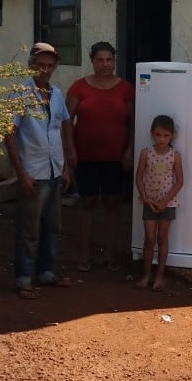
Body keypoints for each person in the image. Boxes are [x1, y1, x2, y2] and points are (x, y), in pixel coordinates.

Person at [3, 42, 73, 299]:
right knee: (29, 230)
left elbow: (63, 126)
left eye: (50, 65)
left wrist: (66, 167)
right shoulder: (19, 94)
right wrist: (21, 174)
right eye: (40, 65)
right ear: (30, 66)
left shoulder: (57, 94)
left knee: (52, 227)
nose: (45, 70)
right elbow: (9, 135)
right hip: (33, 173)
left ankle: (46, 273)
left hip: (54, 171)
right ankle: (23, 278)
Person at [66, 41, 135, 272]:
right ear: (92, 61)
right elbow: (66, 122)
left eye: (109, 60)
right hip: (85, 157)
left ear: (114, 61)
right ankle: (84, 254)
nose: (105, 64)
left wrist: (130, 150)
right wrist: (70, 149)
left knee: (113, 205)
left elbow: (134, 122)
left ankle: (110, 254)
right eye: (100, 60)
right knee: (87, 204)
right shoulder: (79, 88)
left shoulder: (126, 89)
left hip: (116, 158)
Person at [134, 115, 184, 292]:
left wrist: (165, 201)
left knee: (162, 238)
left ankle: (160, 276)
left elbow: (179, 181)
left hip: (167, 204)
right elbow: (139, 177)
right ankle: (146, 275)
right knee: (149, 238)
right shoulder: (146, 153)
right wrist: (144, 197)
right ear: (152, 134)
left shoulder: (174, 155)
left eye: (166, 135)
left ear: (172, 135)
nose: (161, 139)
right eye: (158, 135)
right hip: (149, 202)